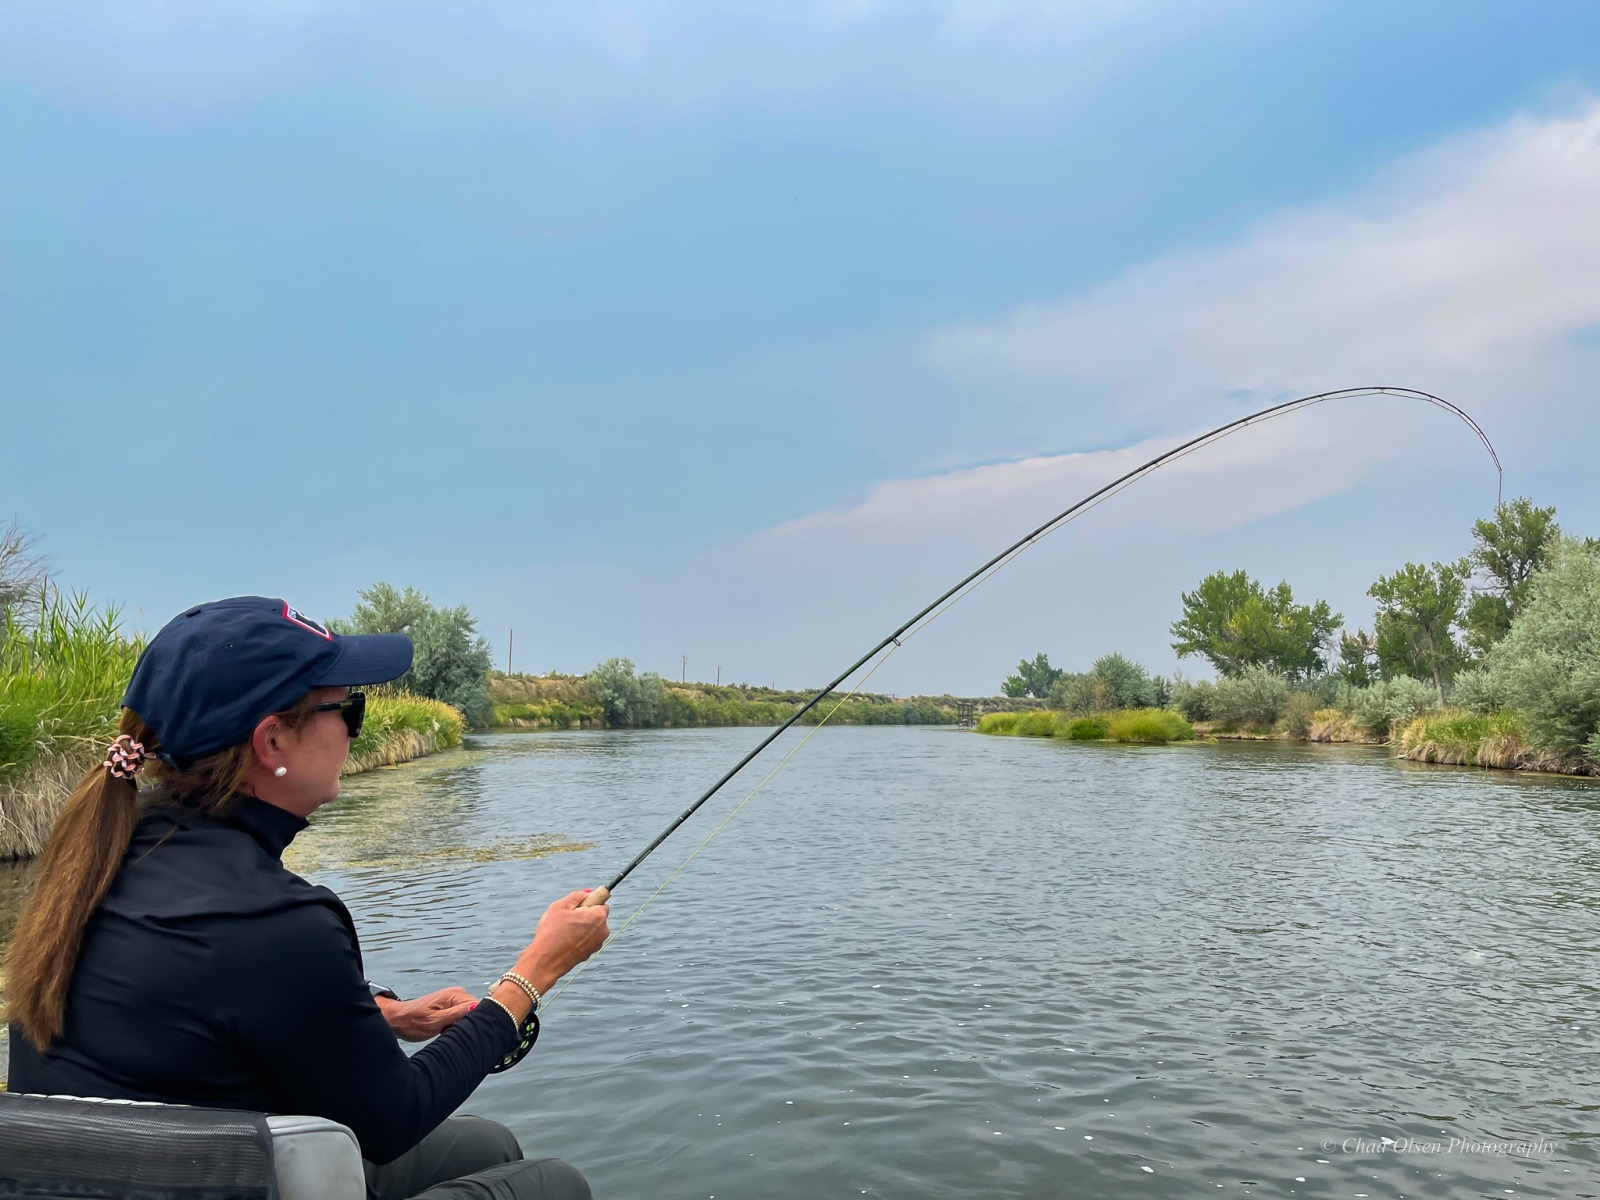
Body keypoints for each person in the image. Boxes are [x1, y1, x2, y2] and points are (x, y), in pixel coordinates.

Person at [4, 596, 610, 1199]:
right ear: (272, 744)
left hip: (128, 1179)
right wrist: (534, 973)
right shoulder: (277, 920)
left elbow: (182, 1021)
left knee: (487, 1146)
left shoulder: (100, 856)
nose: (353, 729)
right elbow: (393, 1120)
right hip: (225, 1178)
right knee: (555, 1184)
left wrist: (382, 1016)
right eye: (350, 709)